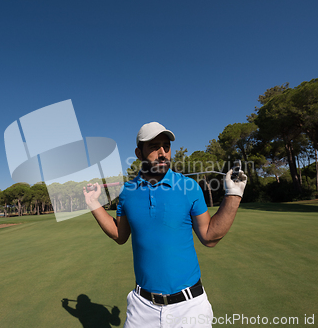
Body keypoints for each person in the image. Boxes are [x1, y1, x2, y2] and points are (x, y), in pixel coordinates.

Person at [83, 122, 247, 328]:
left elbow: (209, 237)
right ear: (138, 152)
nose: (163, 153)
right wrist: (92, 203)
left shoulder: (189, 187)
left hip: (190, 307)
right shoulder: (127, 192)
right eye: (154, 147)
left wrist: (234, 194)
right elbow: (119, 235)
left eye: (166, 147)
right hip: (142, 308)